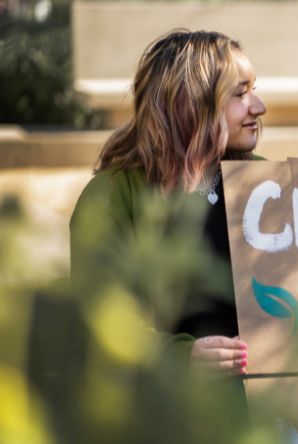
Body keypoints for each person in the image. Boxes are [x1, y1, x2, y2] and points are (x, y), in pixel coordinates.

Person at [70, 30, 266, 377]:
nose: (259, 106)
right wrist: (181, 356)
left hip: (266, 404)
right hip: (165, 405)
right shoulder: (111, 196)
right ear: (191, 103)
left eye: (253, 90)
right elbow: (99, 316)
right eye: (240, 94)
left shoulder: (266, 183)